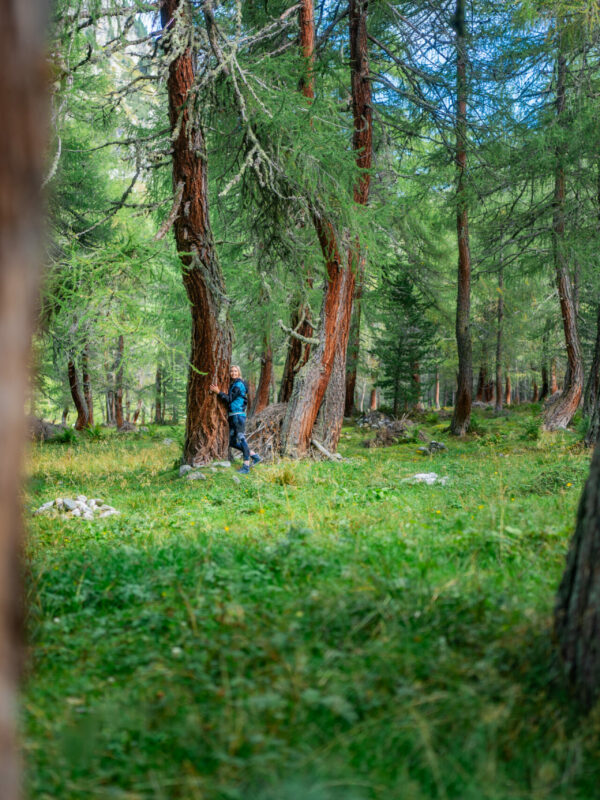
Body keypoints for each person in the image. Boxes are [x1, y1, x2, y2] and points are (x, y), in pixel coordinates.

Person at [210, 366, 261, 475]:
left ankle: (246, 467)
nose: (233, 373)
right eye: (231, 371)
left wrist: (218, 392)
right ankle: (255, 456)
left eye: (235, 371)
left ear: (239, 372)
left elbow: (229, 399)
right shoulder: (234, 384)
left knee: (241, 439)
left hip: (238, 416)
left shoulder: (239, 385)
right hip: (233, 416)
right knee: (232, 441)